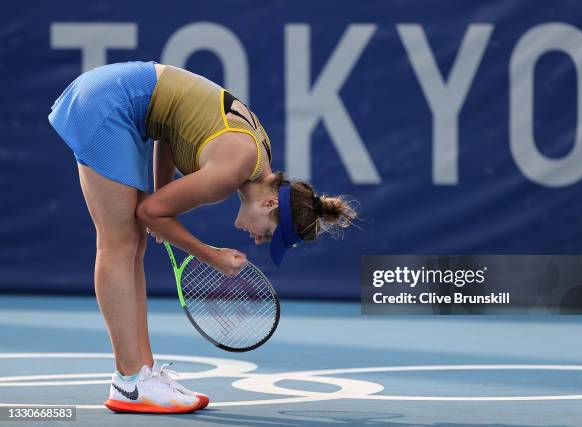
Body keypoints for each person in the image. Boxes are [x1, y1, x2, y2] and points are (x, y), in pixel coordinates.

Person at [48, 61, 357, 414]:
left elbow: (168, 131)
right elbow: (149, 212)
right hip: (107, 102)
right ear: (270, 202)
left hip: (115, 94)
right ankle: (129, 382)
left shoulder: (258, 155)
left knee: (132, 242)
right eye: (268, 233)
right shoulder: (231, 173)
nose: (258, 240)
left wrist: (165, 203)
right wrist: (208, 254)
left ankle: (143, 374)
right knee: (118, 241)